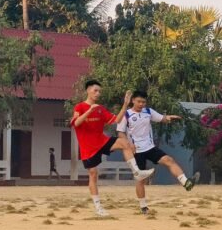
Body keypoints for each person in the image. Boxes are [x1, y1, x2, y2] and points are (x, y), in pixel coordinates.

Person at [71, 80, 156, 217]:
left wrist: (125, 104)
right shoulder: (79, 107)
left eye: (99, 91)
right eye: (95, 91)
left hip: (101, 141)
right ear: (88, 91)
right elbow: (76, 123)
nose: (98, 93)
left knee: (124, 142)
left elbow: (116, 120)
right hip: (87, 147)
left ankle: (136, 172)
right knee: (93, 174)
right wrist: (89, 111)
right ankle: (98, 208)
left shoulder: (100, 108)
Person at [117, 90, 199, 214]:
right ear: (133, 100)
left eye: (143, 102)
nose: (141, 104)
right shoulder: (126, 115)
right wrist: (128, 145)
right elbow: (120, 133)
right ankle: (143, 207)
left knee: (169, 160)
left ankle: (186, 183)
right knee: (140, 180)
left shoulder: (148, 112)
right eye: (139, 101)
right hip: (136, 151)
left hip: (150, 147)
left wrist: (169, 118)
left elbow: (162, 119)